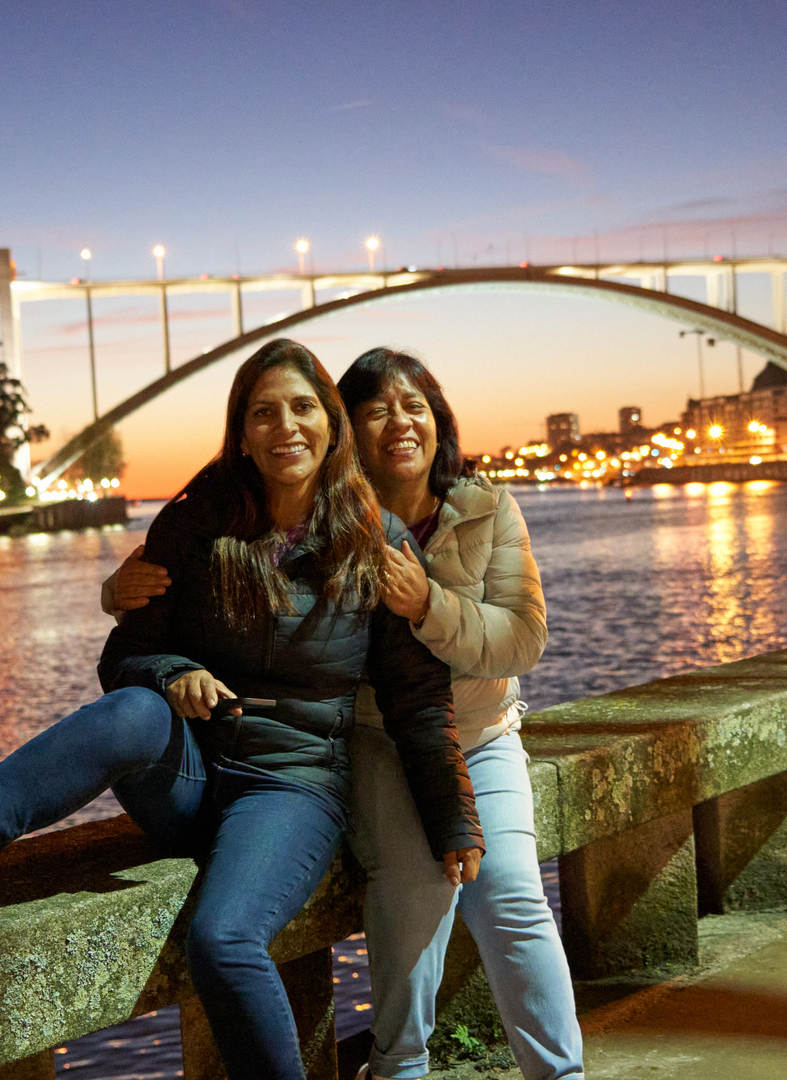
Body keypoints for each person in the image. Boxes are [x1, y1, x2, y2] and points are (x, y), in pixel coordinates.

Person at [0, 339, 483, 1080]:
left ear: (330, 424)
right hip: (192, 768)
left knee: (223, 944)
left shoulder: (376, 543)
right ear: (242, 432)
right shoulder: (195, 527)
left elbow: (417, 700)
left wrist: (453, 817)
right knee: (133, 709)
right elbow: (123, 657)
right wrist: (174, 674)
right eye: (263, 413)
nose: (284, 427)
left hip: (292, 784)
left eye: (302, 408)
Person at [105, 347, 582, 1080]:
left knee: (513, 894)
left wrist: (428, 604)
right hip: (368, 736)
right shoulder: (324, 518)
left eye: (415, 406)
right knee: (415, 885)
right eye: (377, 410)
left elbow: (522, 638)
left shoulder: (486, 508)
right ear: (347, 429)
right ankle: (399, 1065)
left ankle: (561, 1074)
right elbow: (205, 587)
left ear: (438, 419)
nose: (401, 423)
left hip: (479, 738)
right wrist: (120, 594)